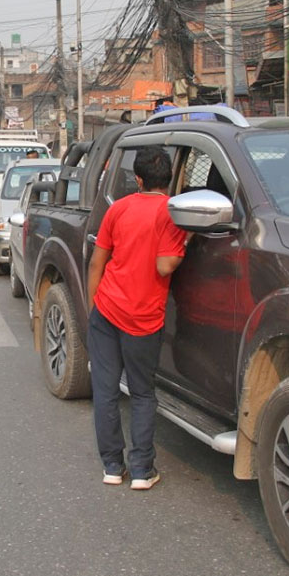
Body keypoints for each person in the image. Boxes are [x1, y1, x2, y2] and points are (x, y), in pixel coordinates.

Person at [86, 146, 189, 491]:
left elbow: (97, 263)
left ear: (139, 179)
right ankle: (142, 470)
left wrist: (93, 309)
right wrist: (187, 238)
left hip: (107, 310)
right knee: (142, 393)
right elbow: (165, 266)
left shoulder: (119, 208)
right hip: (143, 319)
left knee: (105, 391)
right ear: (170, 178)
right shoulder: (172, 214)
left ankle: (112, 467)